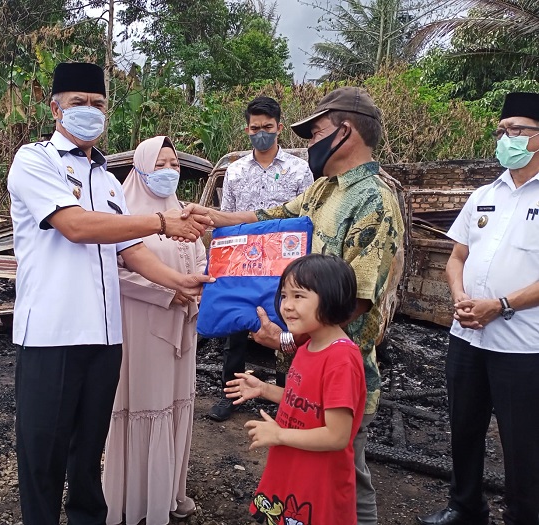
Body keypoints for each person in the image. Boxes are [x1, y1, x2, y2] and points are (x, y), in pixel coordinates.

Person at [182, 86, 405, 525]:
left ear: (344, 133)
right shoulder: (325, 190)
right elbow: (269, 216)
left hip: (341, 365)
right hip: (303, 360)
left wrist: (284, 336)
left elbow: (357, 299)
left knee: (347, 476)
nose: (310, 143)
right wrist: (210, 218)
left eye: (316, 131)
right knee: (305, 474)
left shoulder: (374, 200)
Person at [7, 63, 212, 525]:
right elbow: (75, 226)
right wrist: (162, 221)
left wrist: (177, 281)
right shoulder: (35, 160)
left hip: (104, 339)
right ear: (55, 108)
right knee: (43, 455)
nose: (89, 112)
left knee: (88, 453)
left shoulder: (106, 178)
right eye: (78, 102)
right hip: (51, 336)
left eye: (98, 104)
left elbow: (130, 250)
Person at [417, 93, 539, 525]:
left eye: (518, 130)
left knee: (522, 441)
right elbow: (457, 257)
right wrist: (459, 298)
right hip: (468, 336)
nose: (507, 137)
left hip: (523, 347)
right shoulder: (483, 195)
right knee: (464, 428)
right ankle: (466, 506)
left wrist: (501, 305)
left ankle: (524, 515)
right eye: (502, 130)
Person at [102, 136, 206, 525]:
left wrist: (194, 288)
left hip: (182, 327)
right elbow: (113, 272)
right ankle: (132, 501)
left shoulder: (183, 212)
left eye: (174, 165)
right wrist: (165, 292)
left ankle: (167, 495)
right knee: (143, 405)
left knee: (175, 402)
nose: (169, 172)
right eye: (160, 164)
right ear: (141, 167)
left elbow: (199, 258)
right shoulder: (124, 214)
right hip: (141, 324)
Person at [226, 254, 366, 525]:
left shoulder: (341, 360)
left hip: (318, 479)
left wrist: (279, 434)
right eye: (284, 295)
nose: (287, 306)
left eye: (299, 296)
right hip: (292, 465)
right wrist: (265, 390)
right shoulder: (310, 345)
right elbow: (307, 403)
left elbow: (337, 435)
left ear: (331, 298)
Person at [210, 95, 314, 422]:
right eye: (255, 128)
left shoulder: (299, 170)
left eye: (268, 127)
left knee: (286, 327)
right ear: (247, 130)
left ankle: (287, 400)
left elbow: (308, 218)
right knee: (237, 330)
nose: (262, 133)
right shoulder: (236, 171)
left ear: (279, 128)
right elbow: (226, 217)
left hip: (285, 266)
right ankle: (231, 396)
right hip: (244, 262)